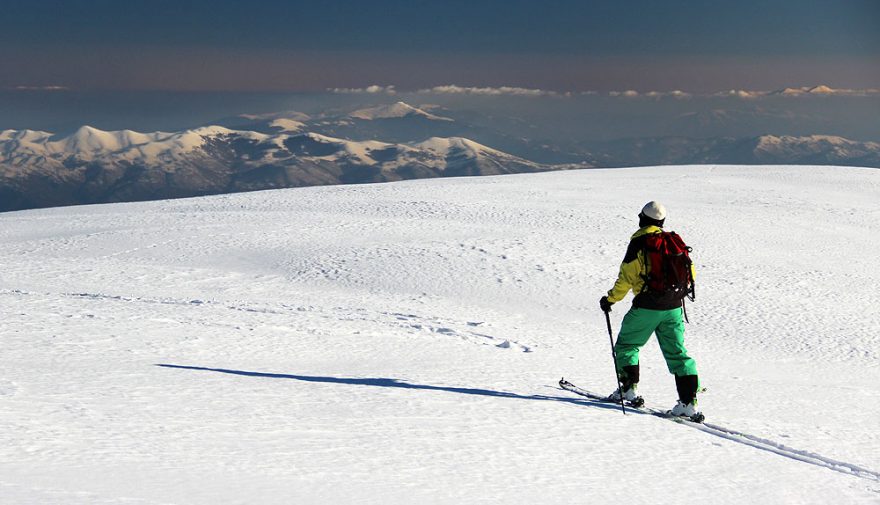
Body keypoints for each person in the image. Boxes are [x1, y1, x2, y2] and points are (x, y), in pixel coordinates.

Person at [599, 201, 701, 419]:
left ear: (642, 219)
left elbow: (626, 277)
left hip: (647, 306)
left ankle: (627, 390)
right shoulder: (673, 242)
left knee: (627, 345)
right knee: (678, 354)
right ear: (661, 222)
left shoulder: (640, 243)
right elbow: (690, 271)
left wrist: (610, 300)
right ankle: (688, 403)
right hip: (673, 307)